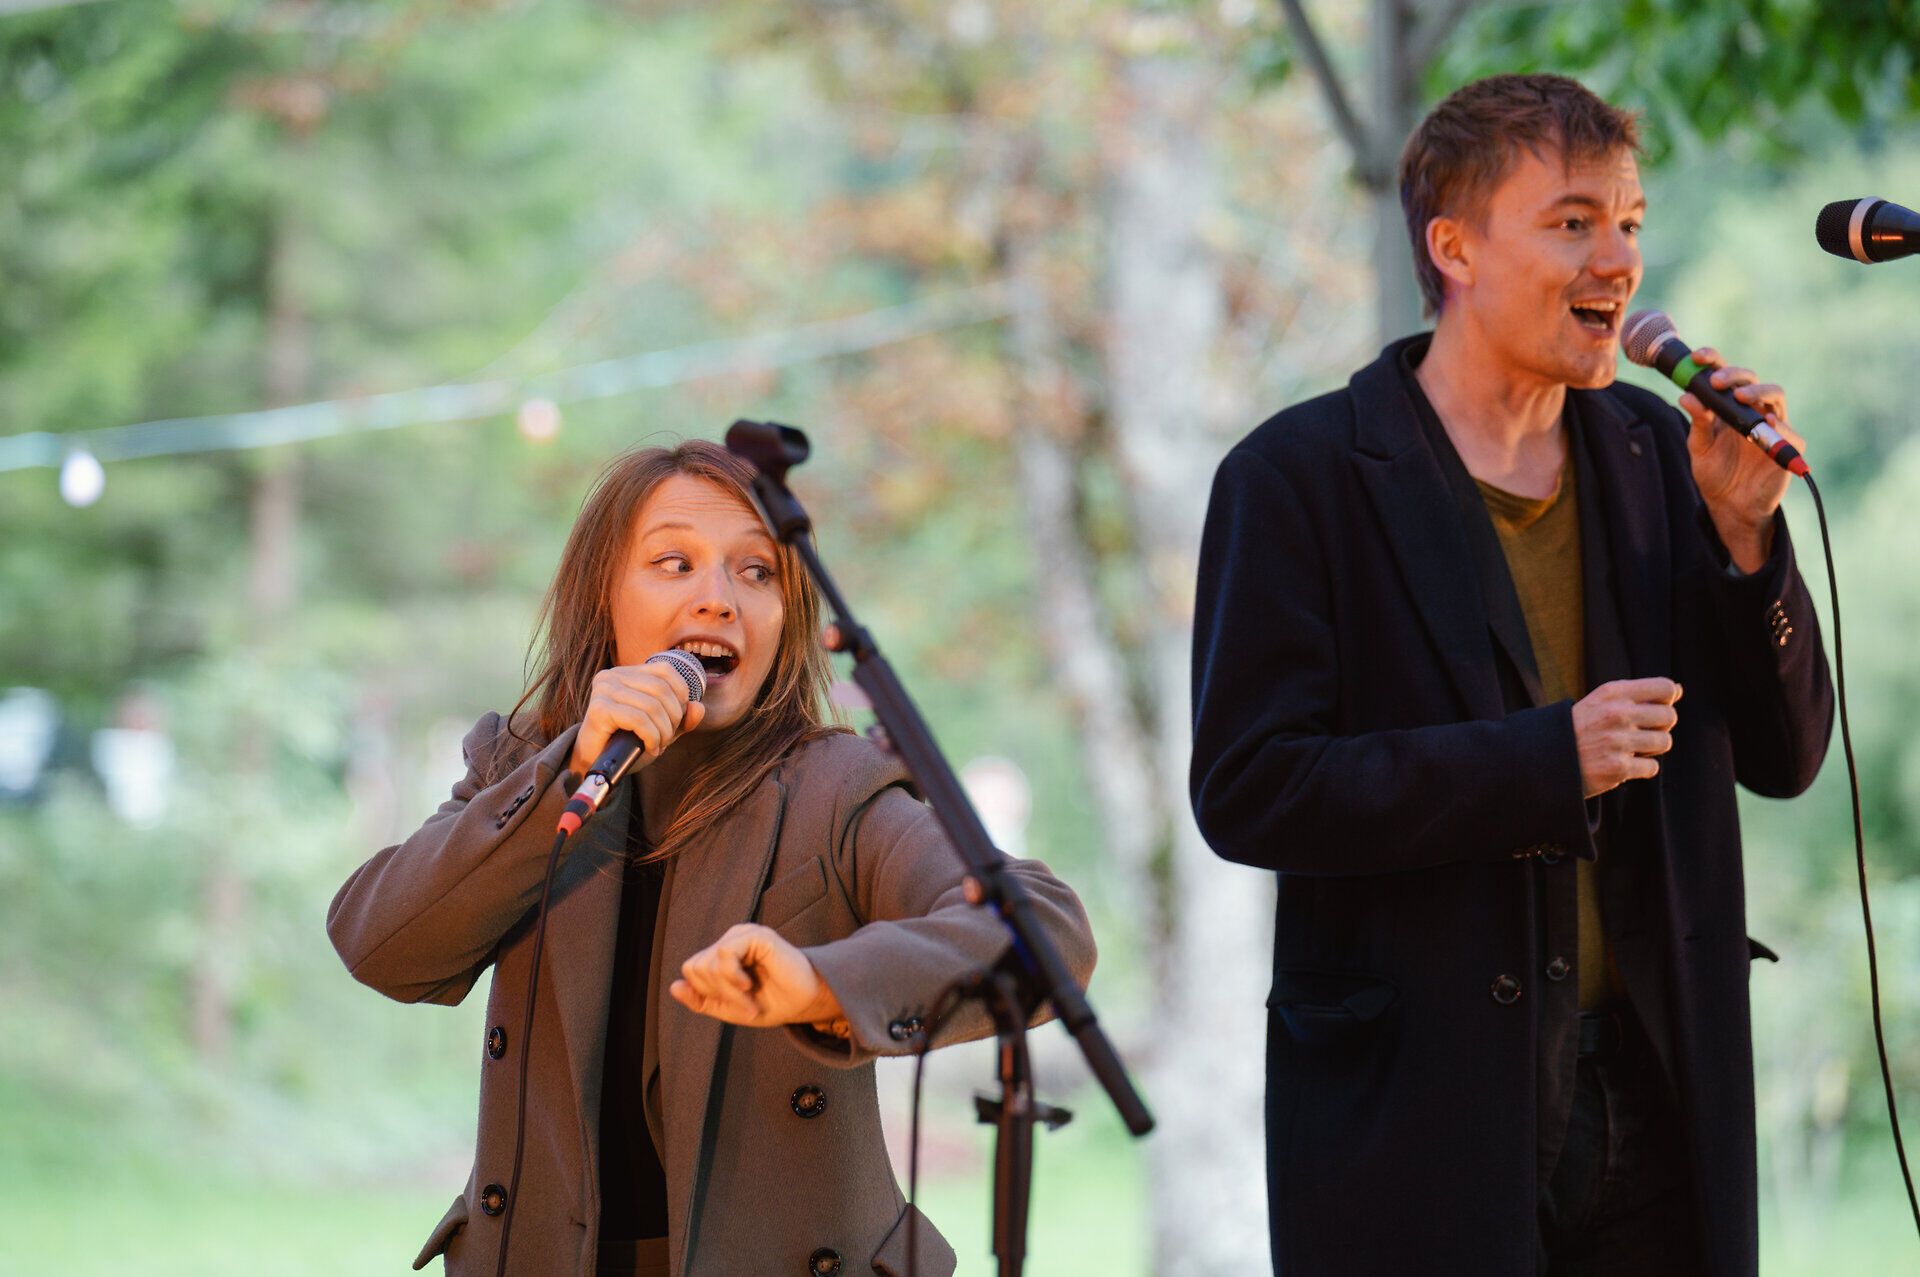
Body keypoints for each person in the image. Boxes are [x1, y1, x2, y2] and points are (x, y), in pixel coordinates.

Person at [1189, 74, 1833, 1276]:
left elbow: (1789, 759)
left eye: (1632, 221)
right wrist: (1544, 758)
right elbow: (1249, 789)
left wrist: (1749, 542)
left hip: (1660, 1089)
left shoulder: (1657, 452)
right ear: (1456, 247)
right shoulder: (1297, 478)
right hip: (1420, 1121)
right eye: (1574, 221)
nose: (1618, 258)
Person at [328, 440, 1097, 1277]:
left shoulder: (841, 789)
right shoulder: (526, 765)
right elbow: (383, 945)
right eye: (673, 561)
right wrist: (568, 772)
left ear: (788, 614)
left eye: (757, 572)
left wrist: (824, 984)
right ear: (605, 596)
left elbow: (1041, 929)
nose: (718, 598)